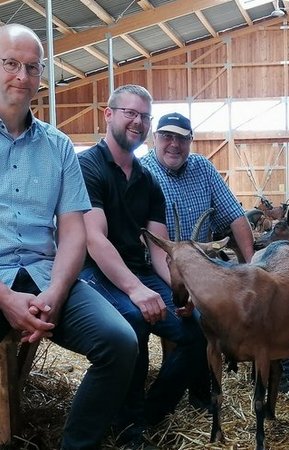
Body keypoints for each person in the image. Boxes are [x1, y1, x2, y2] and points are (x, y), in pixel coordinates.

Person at [0, 24, 139, 450]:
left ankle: (76, 444)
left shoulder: (59, 146)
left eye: (32, 67)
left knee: (120, 342)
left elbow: (74, 231)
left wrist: (56, 294)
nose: (22, 76)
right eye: (10, 63)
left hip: (47, 274)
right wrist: (3, 297)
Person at [140, 112, 289, 399]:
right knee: (204, 317)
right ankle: (184, 393)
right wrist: (190, 288)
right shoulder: (143, 173)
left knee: (263, 301)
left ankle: (288, 374)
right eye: (167, 136)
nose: (174, 144)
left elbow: (236, 217)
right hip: (163, 268)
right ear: (155, 138)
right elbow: (153, 245)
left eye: (182, 138)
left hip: (208, 261)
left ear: (191, 141)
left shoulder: (202, 167)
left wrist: (255, 263)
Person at [77, 86, 207, 447]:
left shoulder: (147, 180)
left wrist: (182, 289)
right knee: (133, 322)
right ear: (109, 114)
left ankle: (149, 412)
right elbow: (94, 240)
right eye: (130, 113)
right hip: (94, 272)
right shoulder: (88, 167)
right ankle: (128, 428)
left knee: (195, 329)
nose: (138, 122)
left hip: (138, 271)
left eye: (144, 117)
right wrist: (136, 290)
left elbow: (159, 246)